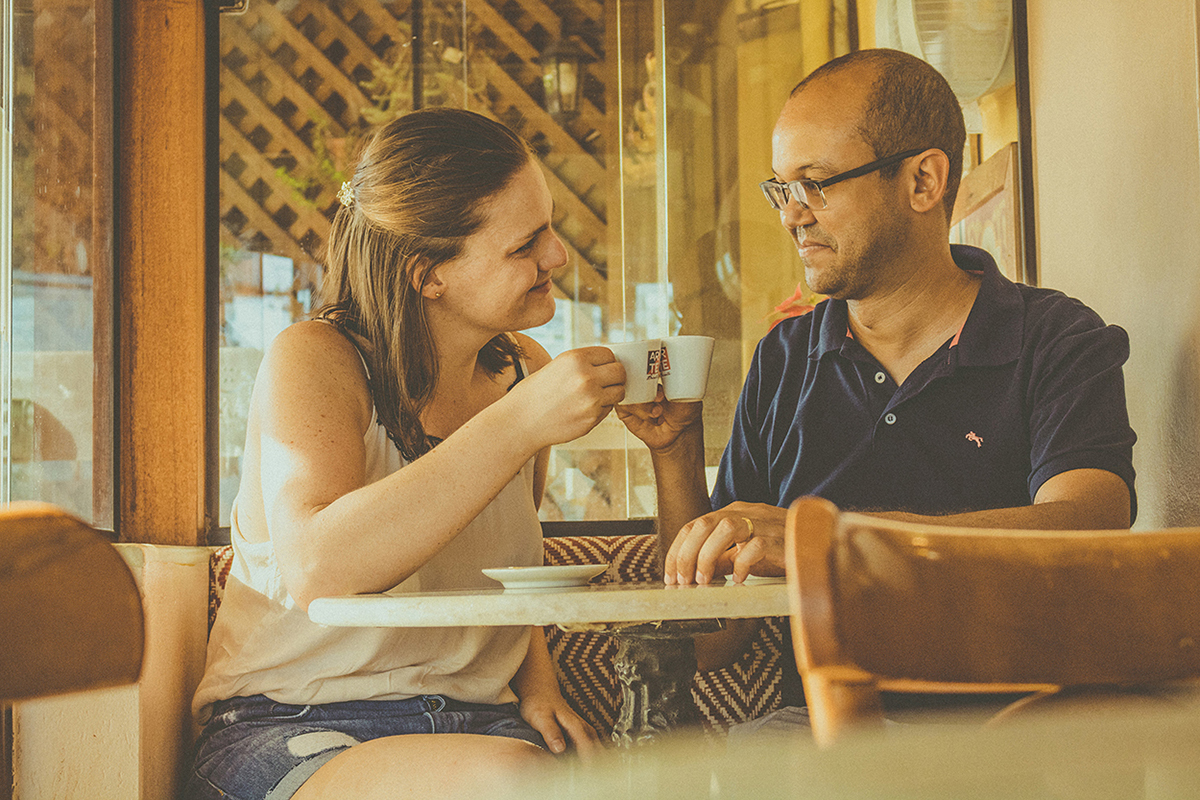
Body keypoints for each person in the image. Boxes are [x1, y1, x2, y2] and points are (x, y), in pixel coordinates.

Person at [187, 108, 625, 800]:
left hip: (478, 724)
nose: (557, 257)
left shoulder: (523, 373)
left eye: (550, 228)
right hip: (295, 720)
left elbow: (502, 571)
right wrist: (517, 425)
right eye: (525, 245)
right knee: (514, 785)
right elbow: (316, 568)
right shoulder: (316, 360)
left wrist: (538, 685)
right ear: (428, 275)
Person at [618, 47, 1137, 592]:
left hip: (1020, 680)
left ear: (922, 181)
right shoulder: (784, 358)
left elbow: (1088, 528)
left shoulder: (1056, 339)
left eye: (813, 184)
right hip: (827, 680)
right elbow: (714, 644)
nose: (791, 215)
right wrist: (675, 454)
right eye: (781, 189)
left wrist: (823, 540)